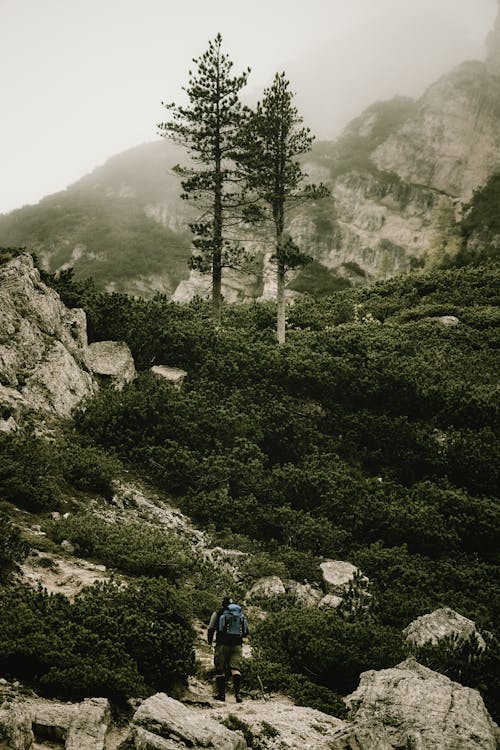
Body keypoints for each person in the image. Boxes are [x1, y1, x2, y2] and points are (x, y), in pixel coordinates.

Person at [207, 595, 249, 702]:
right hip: (237, 644)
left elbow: (211, 628)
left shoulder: (218, 613)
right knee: (235, 669)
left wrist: (209, 642)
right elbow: (246, 631)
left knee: (220, 669)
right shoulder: (239, 614)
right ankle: (238, 695)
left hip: (222, 644)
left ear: (223, 603)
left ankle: (221, 695)